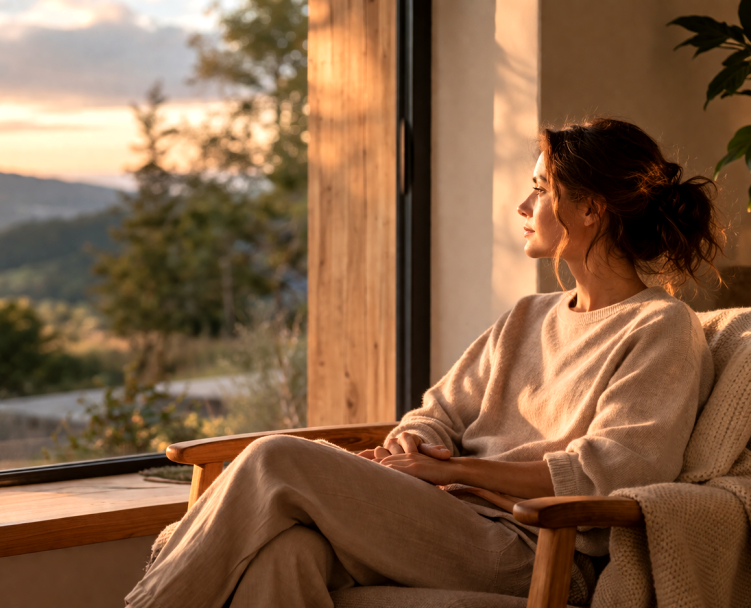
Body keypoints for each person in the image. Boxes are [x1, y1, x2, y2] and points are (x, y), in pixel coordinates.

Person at [124, 117, 724, 608]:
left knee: (275, 458)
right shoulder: (528, 317)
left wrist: (455, 474)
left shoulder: (660, 328)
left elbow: (608, 474)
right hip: (446, 519)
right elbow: (437, 413)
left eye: (540, 189)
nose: (523, 203)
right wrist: (413, 450)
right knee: (288, 556)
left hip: (536, 546)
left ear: (590, 209)